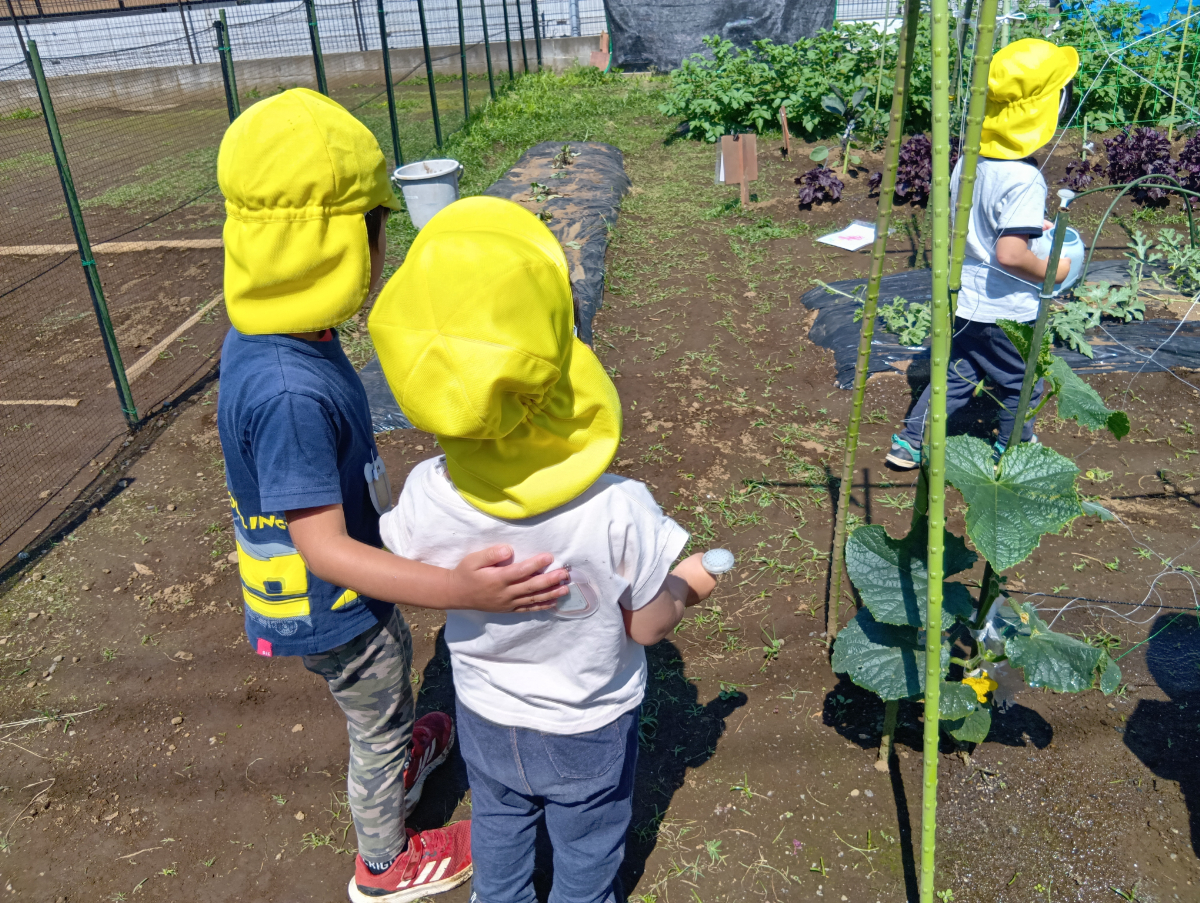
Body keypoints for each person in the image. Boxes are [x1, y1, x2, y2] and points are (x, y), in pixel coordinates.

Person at [214, 89, 570, 903]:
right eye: (378, 227)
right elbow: (323, 548)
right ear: (340, 244)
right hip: (331, 600)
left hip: (331, 589)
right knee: (374, 713)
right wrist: (458, 588)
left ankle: (403, 748)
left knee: (388, 684)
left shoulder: (274, 330)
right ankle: (383, 862)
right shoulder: (289, 391)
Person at [369, 196, 722, 903]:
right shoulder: (618, 506)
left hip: (486, 716)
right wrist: (688, 581)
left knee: (500, 821)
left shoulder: (430, 493)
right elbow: (646, 626)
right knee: (588, 841)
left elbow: (402, 566)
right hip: (587, 725)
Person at [887, 38, 1079, 470]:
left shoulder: (970, 160)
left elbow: (980, 219)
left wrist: (1030, 225)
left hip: (966, 298)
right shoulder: (1026, 179)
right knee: (1022, 383)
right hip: (1006, 310)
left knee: (957, 376)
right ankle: (1012, 451)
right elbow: (1010, 254)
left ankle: (910, 442)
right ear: (1048, 111)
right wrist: (1054, 271)